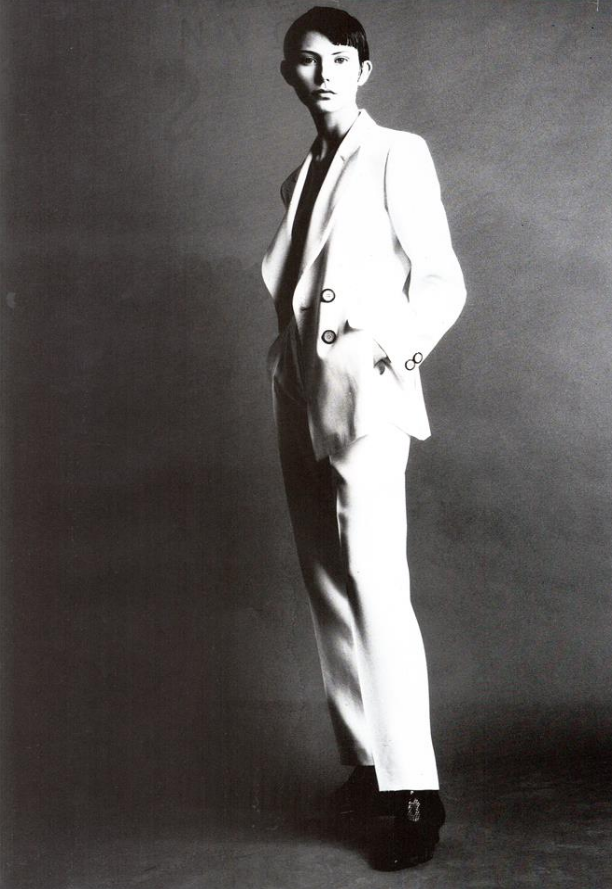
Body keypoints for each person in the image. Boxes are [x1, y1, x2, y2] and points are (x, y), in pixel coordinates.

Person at [261, 6, 466, 871]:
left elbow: (442, 280)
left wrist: (394, 358)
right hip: (299, 392)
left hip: (368, 394)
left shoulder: (396, 153)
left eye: (339, 60)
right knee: (326, 581)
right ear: (289, 74)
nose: (324, 75)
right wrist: (289, 366)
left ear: (364, 70)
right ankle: (366, 761)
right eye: (307, 61)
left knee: (376, 582)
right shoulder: (298, 176)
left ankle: (415, 788)